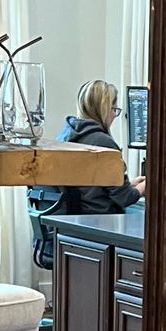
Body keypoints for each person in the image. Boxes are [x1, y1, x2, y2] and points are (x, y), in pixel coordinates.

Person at [28, 79, 144, 269]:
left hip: (65, 230)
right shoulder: (102, 143)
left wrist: (129, 183)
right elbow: (124, 198)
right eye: (114, 110)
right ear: (105, 109)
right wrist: (146, 186)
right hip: (96, 228)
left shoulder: (66, 136)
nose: (115, 116)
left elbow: (88, 187)